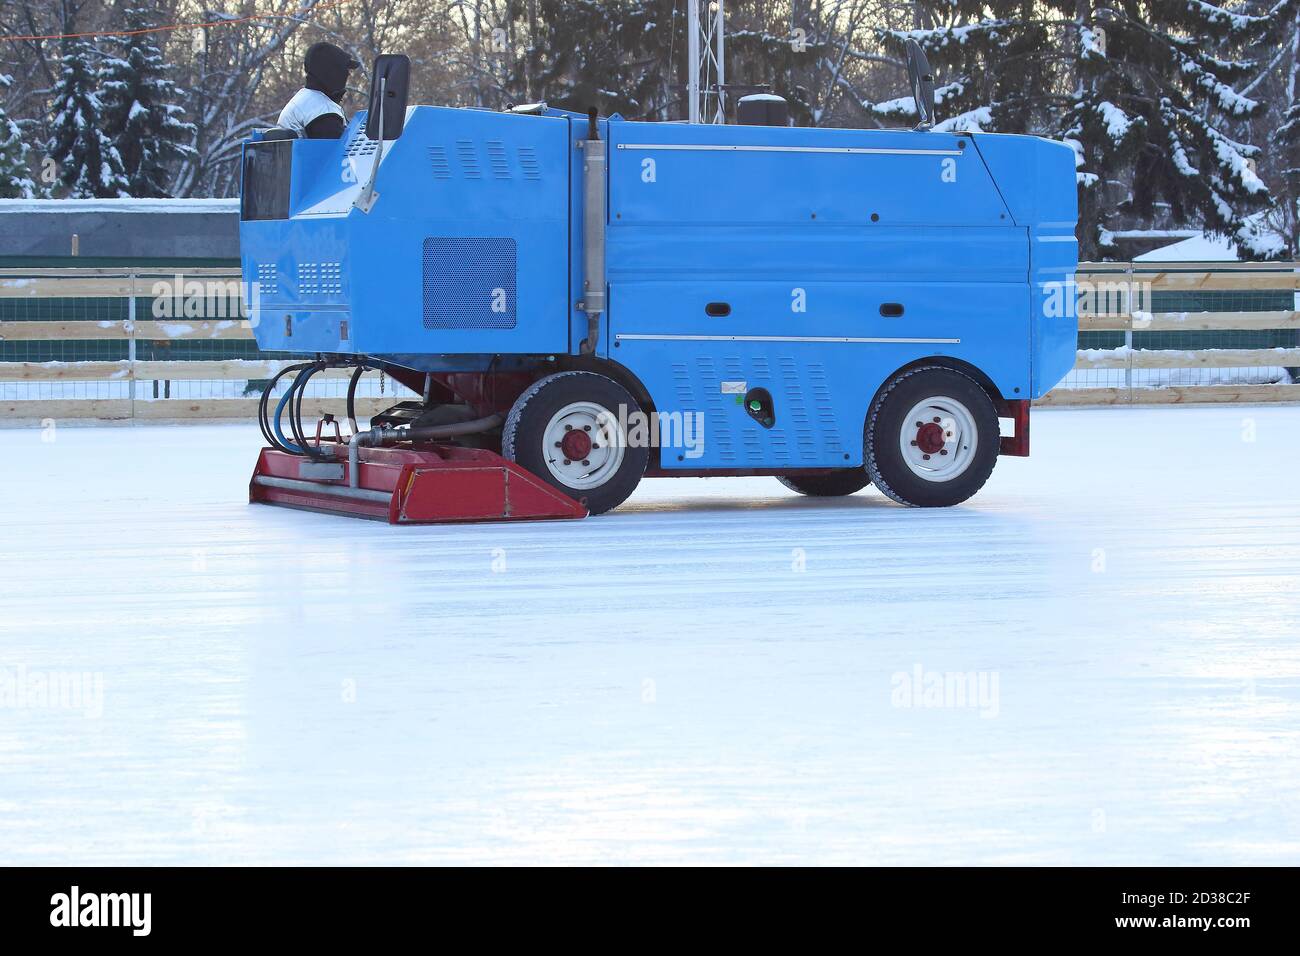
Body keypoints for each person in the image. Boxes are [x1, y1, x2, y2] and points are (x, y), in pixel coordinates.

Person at [277, 42, 360, 139]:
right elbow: (336, 151)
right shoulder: (323, 112)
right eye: (345, 70)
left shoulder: (305, 99)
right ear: (332, 72)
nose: (348, 75)